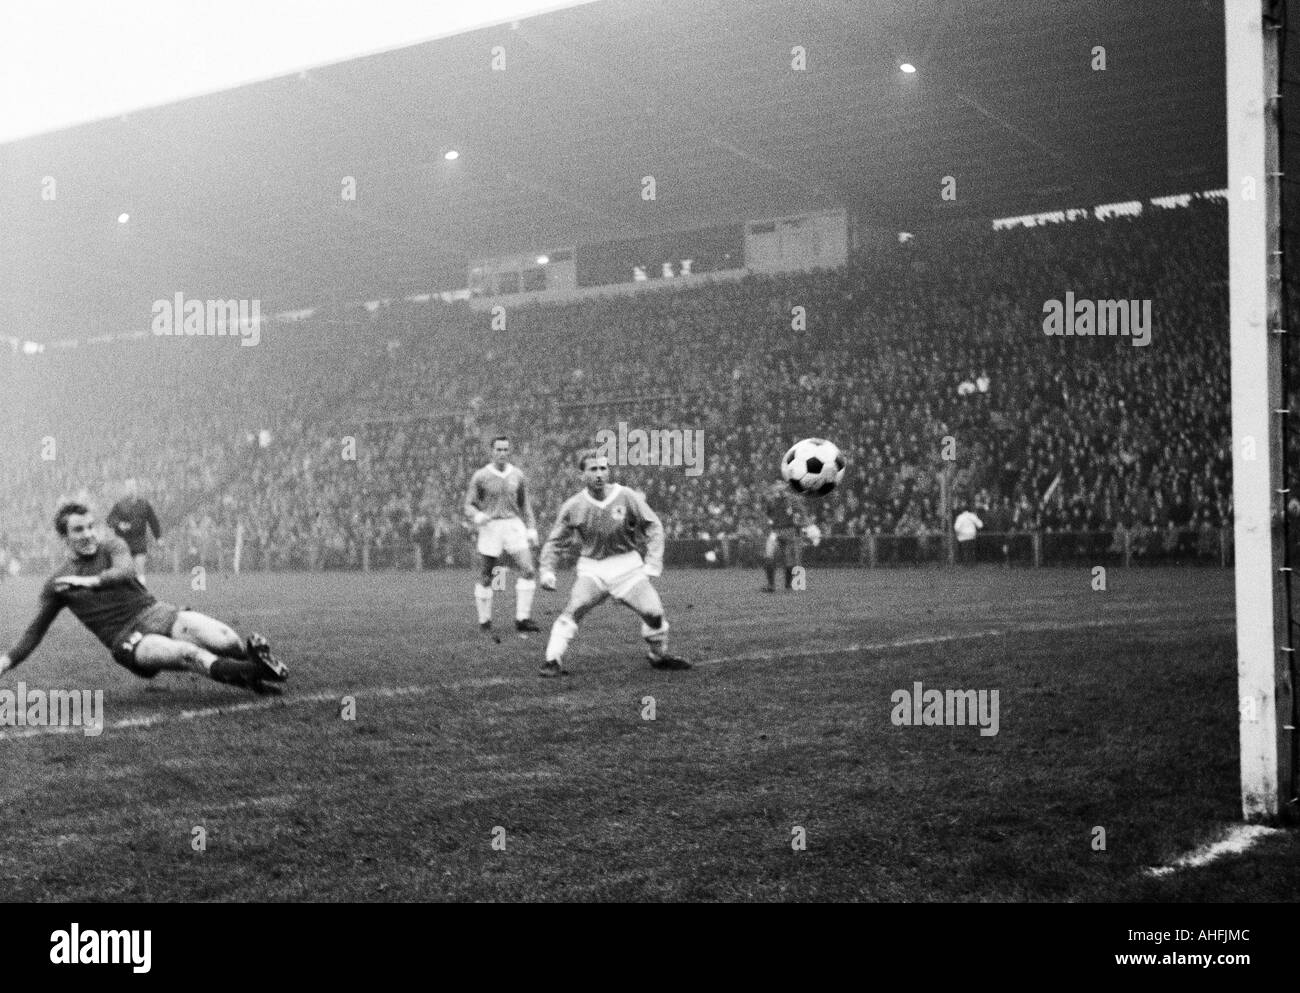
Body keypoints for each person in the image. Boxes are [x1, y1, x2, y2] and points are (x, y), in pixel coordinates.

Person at [0, 502, 287, 695]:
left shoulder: (112, 545)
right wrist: (6, 662)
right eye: (78, 530)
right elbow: (34, 632)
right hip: (128, 639)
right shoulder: (58, 583)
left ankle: (253, 671)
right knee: (189, 654)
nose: (88, 534)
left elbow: (125, 571)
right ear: (64, 537)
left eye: (90, 526)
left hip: (155, 611)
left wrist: (91, 581)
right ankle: (256, 668)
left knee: (225, 639)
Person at [536, 450, 690, 677]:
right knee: (575, 607)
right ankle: (552, 660)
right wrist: (547, 570)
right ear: (582, 474)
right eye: (593, 469)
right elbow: (555, 541)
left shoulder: (626, 495)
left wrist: (653, 561)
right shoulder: (573, 505)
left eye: (603, 468)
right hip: (593, 568)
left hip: (627, 566)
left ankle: (658, 657)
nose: (599, 474)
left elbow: (653, 525)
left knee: (654, 614)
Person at [463, 436, 541, 634]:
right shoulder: (480, 476)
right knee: (487, 575)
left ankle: (522, 619)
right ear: (491, 451)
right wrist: (478, 515)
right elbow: (468, 505)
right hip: (491, 526)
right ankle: (484, 621)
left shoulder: (517, 474)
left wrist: (531, 527)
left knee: (529, 570)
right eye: (498, 449)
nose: (502, 453)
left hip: (513, 524)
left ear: (509, 451)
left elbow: (525, 504)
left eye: (505, 449)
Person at [106, 479, 163, 584]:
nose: (131, 489)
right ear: (125, 489)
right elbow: (109, 520)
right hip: (123, 543)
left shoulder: (144, 504)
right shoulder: (119, 505)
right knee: (125, 573)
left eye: (133, 486)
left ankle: (142, 594)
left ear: (136, 488)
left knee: (140, 570)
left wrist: (158, 537)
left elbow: (153, 521)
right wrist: (119, 524)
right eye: (129, 487)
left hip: (139, 541)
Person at [761, 480, 805, 591]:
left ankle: (788, 585)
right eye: (776, 484)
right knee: (768, 555)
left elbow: (800, 513)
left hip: (789, 531)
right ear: (774, 487)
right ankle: (771, 585)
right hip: (775, 531)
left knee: (789, 559)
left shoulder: (792, 499)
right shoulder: (771, 500)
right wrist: (769, 522)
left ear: (785, 486)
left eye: (780, 483)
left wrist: (798, 522)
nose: (778, 486)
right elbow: (767, 514)